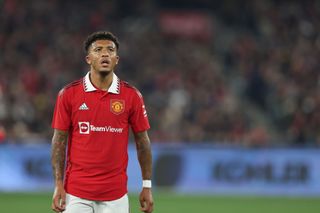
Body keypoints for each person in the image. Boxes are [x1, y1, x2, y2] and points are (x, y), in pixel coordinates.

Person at [51, 31, 154, 213]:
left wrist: (147, 185)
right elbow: (59, 140)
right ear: (88, 59)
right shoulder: (68, 94)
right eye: (98, 50)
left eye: (110, 50)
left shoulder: (132, 96)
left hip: (115, 196)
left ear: (117, 59)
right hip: (76, 193)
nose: (105, 54)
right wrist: (58, 183)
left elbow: (143, 142)